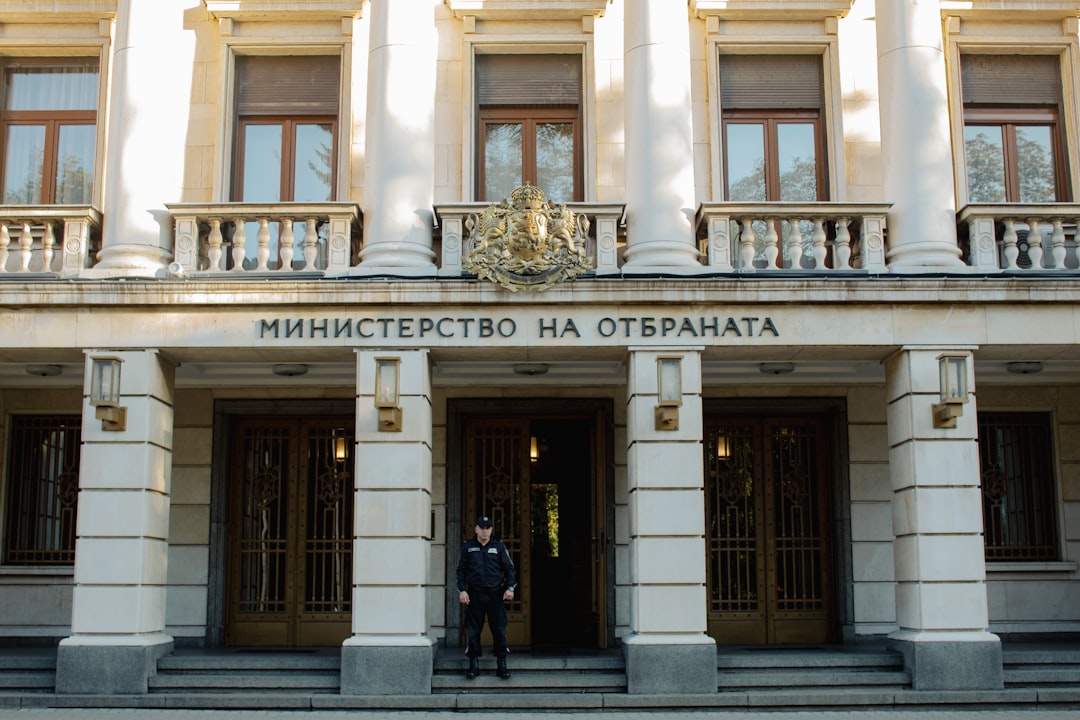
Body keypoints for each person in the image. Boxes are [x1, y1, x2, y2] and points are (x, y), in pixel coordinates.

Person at [456, 514, 517, 679]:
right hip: (475, 595)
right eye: (481, 528)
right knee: (474, 630)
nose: (484, 531)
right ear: (476, 529)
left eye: (487, 528)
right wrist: (462, 590)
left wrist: (510, 588)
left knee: (499, 629)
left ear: (491, 529)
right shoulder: (468, 547)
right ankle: (473, 664)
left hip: (495, 594)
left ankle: (501, 664)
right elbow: (461, 571)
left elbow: (510, 570)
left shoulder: (499, 547)